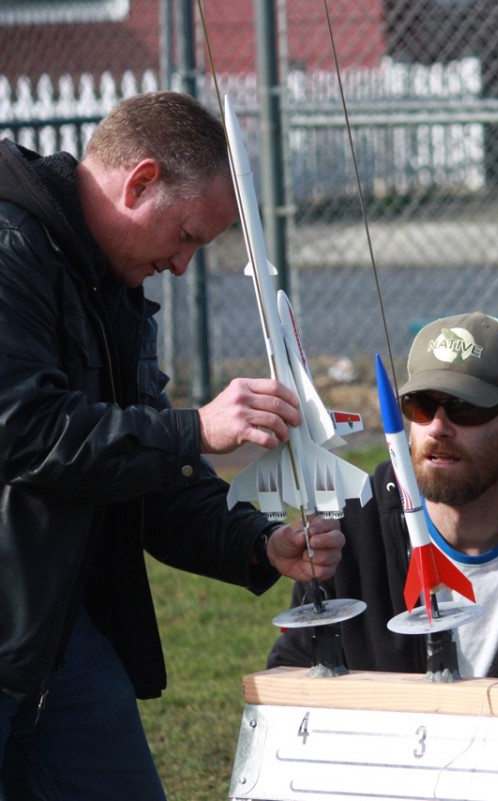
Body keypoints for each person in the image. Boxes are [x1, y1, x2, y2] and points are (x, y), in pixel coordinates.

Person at [0, 91, 346, 799]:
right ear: (141, 182)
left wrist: (256, 543)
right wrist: (196, 428)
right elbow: (23, 430)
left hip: (60, 638)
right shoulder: (11, 249)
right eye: (188, 235)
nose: (184, 265)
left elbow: (148, 473)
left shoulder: (118, 286)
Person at [269, 312, 498, 682]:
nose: (438, 427)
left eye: (465, 408)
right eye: (421, 406)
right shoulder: (347, 533)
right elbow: (291, 674)